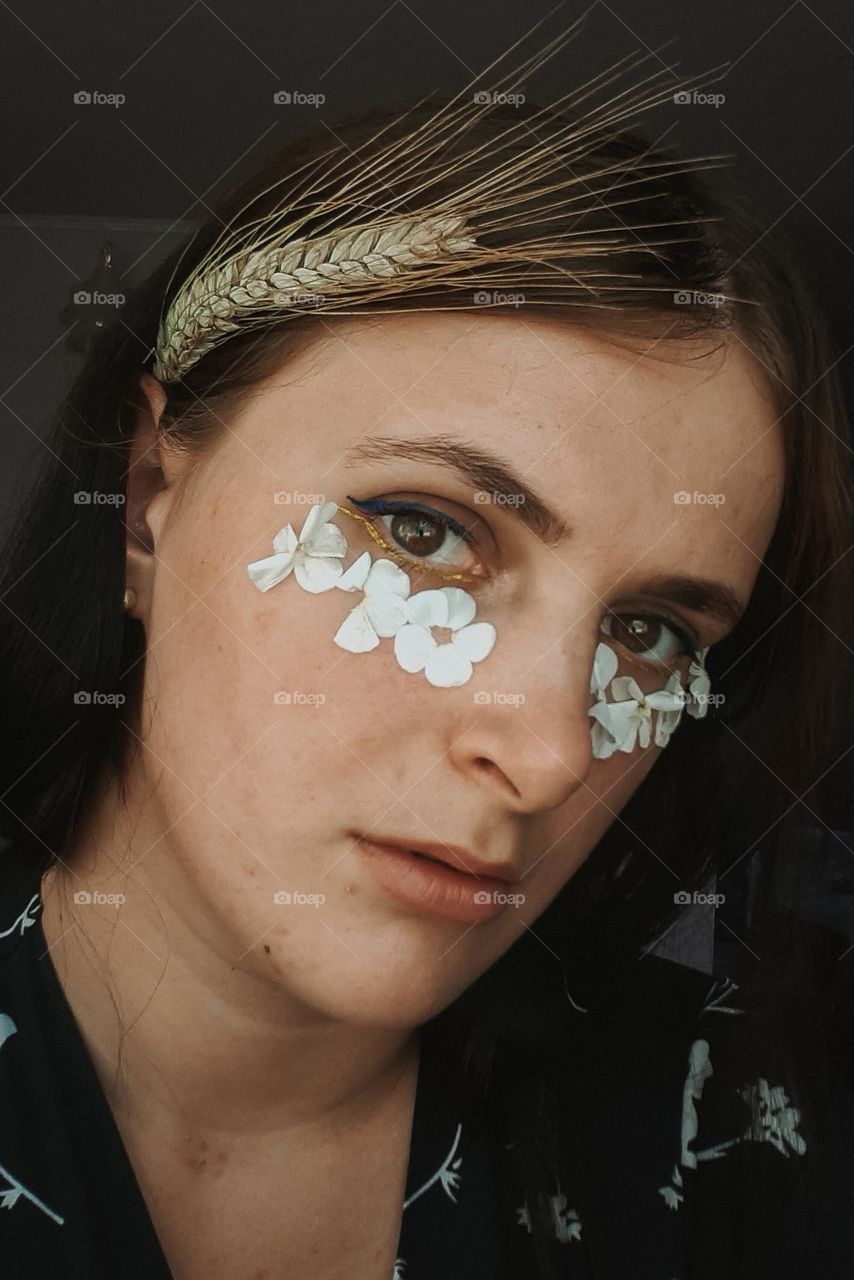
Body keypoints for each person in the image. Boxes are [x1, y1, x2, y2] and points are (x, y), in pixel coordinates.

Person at [0, 26, 850, 1280]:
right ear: (143, 501)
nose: (552, 749)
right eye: (421, 529)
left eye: (647, 631)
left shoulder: (730, 1125)